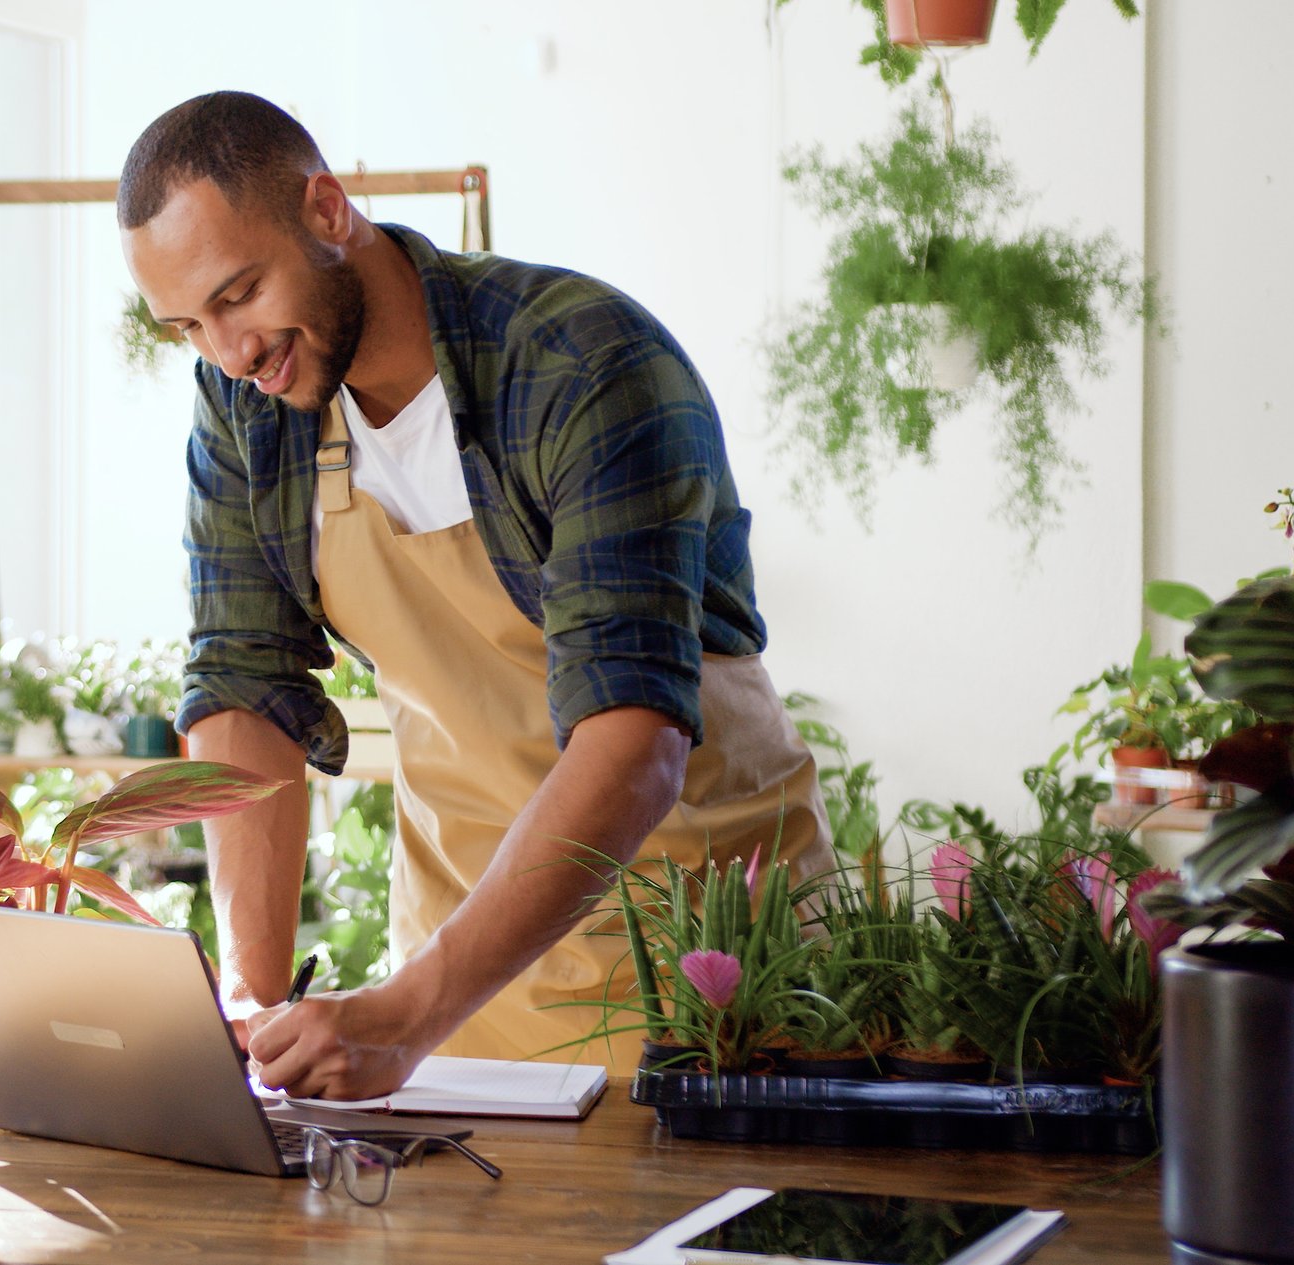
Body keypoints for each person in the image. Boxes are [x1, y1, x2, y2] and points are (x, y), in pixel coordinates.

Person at [117, 91, 833, 1101]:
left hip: (708, 983)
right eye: (187, 324)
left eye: (239, 293)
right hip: (463, 1000)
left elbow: (634, 745)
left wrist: (406, 1013)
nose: (230, 351)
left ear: (327, 210)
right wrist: (250, 994)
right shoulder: (248, 402)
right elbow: (243, 681)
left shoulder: (584, 364)